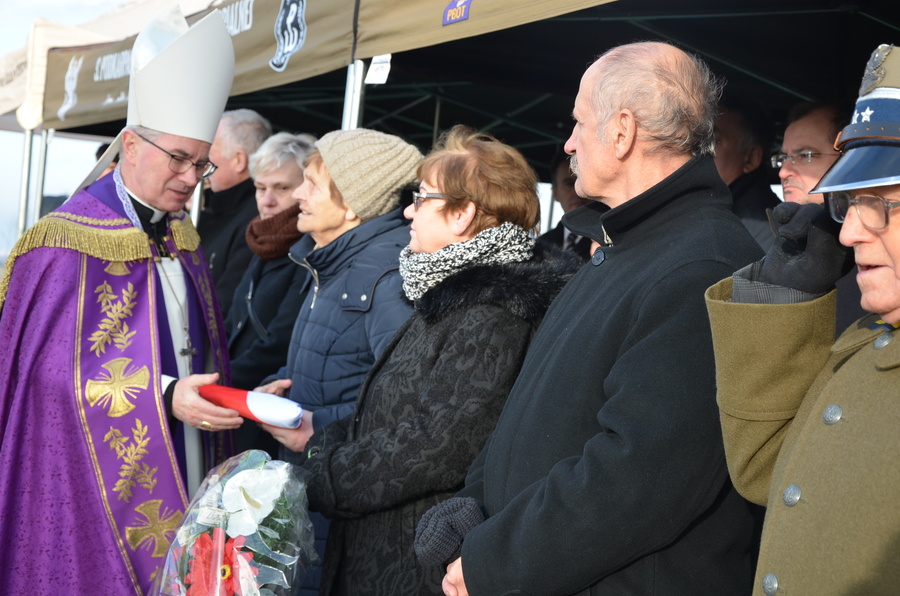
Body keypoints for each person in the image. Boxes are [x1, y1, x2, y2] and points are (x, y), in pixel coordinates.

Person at [423, 41, 764, 595]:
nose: (569, 142)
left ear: (623, 131)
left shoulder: (701, 264)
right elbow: (531, 406)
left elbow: (639, 480)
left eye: (580, 123)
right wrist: (474, 505)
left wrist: (495, 559)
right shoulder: (625, 247)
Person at [0, 8, 238, 594]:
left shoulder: (184, 241)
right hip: (88, 483)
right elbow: (45, 382)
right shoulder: (59, 242)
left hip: (188, 457)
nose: (190, 176)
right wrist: (161, 397)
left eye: (201, 163)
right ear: (130, 145)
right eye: (177, 158)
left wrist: (237, 396)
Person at [294, 125, 580, 595]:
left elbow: (440, 444)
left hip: (419, 563)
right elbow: (392, 404)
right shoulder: (447, 288)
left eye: (421, 198)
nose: (408, 209)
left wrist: (327, 476)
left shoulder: (493, 309)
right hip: (387, 548)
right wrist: (325, 442)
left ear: (463, 214)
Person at [705, 42, 900, 595]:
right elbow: (765, 469)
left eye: (882, 201)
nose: (850, 232)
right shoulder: (870, 340)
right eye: (849, 202)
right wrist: (782, 296)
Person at [250, 128, 421, 595]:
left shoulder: (386, 275)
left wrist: (318, 425)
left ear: (352, 204)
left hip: (349, 507)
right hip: (318, 491)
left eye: (311, 184)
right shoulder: (332, 262)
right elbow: (334, 360)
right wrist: (280, 386)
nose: (297, 195)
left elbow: (408, 403)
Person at [224, 131, 316, 456]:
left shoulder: (308, 253)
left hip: (272, 413)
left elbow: (278, 342)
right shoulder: (261, 242)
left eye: (282, 188)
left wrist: (217, 384)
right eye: (261, 188)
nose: (267, 200)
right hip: (240, 405)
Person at [773, 100, 865, 334]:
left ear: (847, 159)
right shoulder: (777, 239)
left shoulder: (868, 256)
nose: (783, 172)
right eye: (784, 157)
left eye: (805, 155)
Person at [198, 108, 273, 317]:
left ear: (239, 160)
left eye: (210, 154)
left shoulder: (256, 220)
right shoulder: (218, 209)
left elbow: (223, 303)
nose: (204, 164)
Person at [713, 97, 782, 250]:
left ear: (751, 158)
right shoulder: (721, 209)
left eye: (713, 141)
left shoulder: (758, 227)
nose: (698, 151)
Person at [537, 148, 591, 259]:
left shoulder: (613, 240)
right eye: (570, 184)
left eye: (583, 182)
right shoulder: (540, 245)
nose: (578, 191)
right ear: (555, 193)